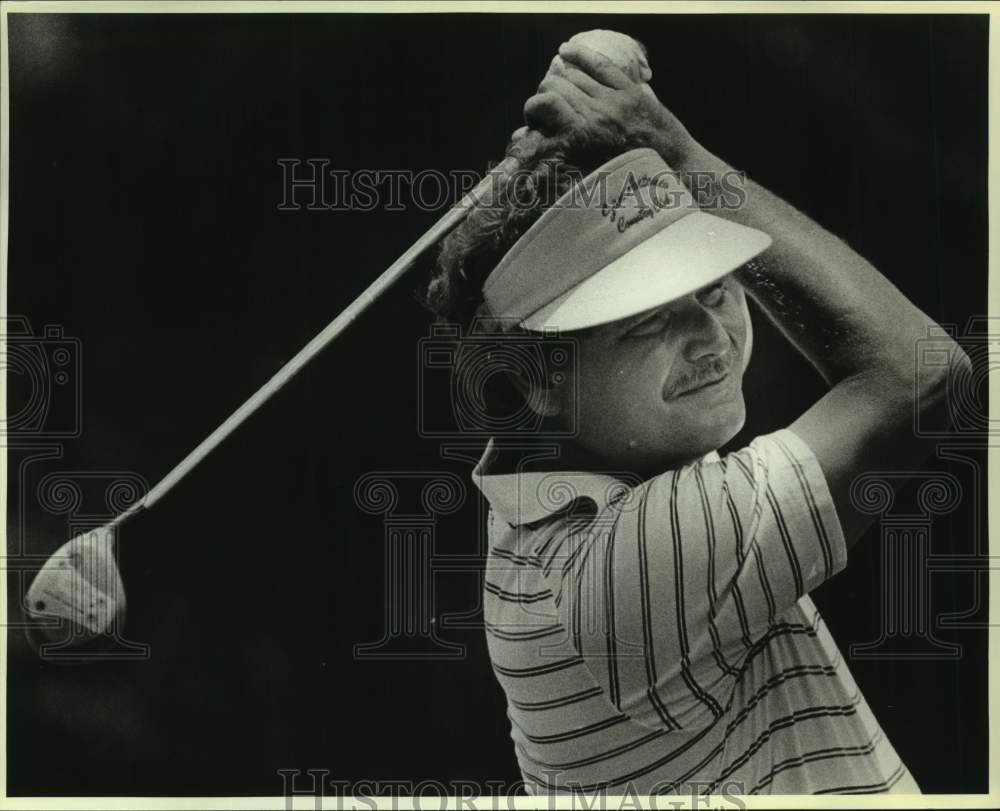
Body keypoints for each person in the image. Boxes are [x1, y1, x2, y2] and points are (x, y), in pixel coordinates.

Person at [422, 37, 966, 797]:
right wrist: (670, 149)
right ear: (534, 379)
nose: (711, 339)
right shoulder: (637, 559)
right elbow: (926, 377)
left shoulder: (538, 494)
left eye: (713, 288)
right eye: (645, 320)